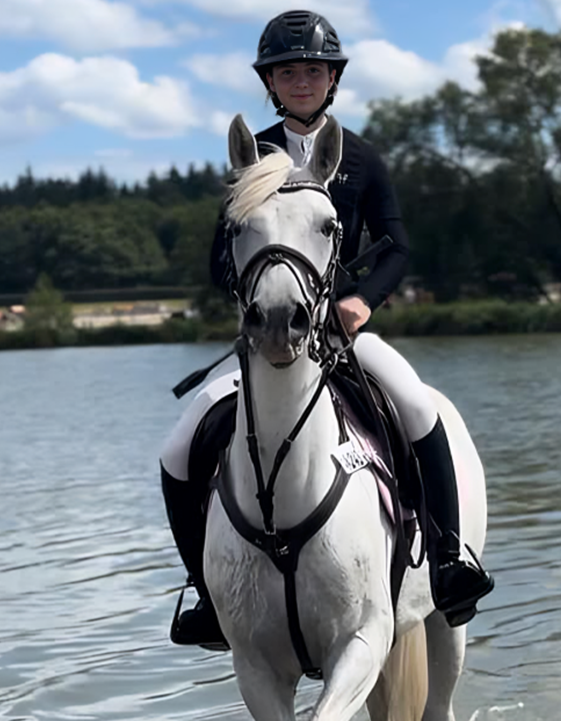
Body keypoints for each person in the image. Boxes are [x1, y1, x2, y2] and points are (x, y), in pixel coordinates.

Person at [160, 10, 494, 649]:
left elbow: (395, 245)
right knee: (178, 449)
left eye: (313, 70)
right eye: (288, 72)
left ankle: (450, 562)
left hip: (342, 333)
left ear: (332, 79)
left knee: (420, 409)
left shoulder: (361, 158)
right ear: (272, 83)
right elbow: (218, 257)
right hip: (265, 339)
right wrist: (255, 304)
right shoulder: (250, 156)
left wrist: (363, 302)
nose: (301, 80)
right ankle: (205, 595)